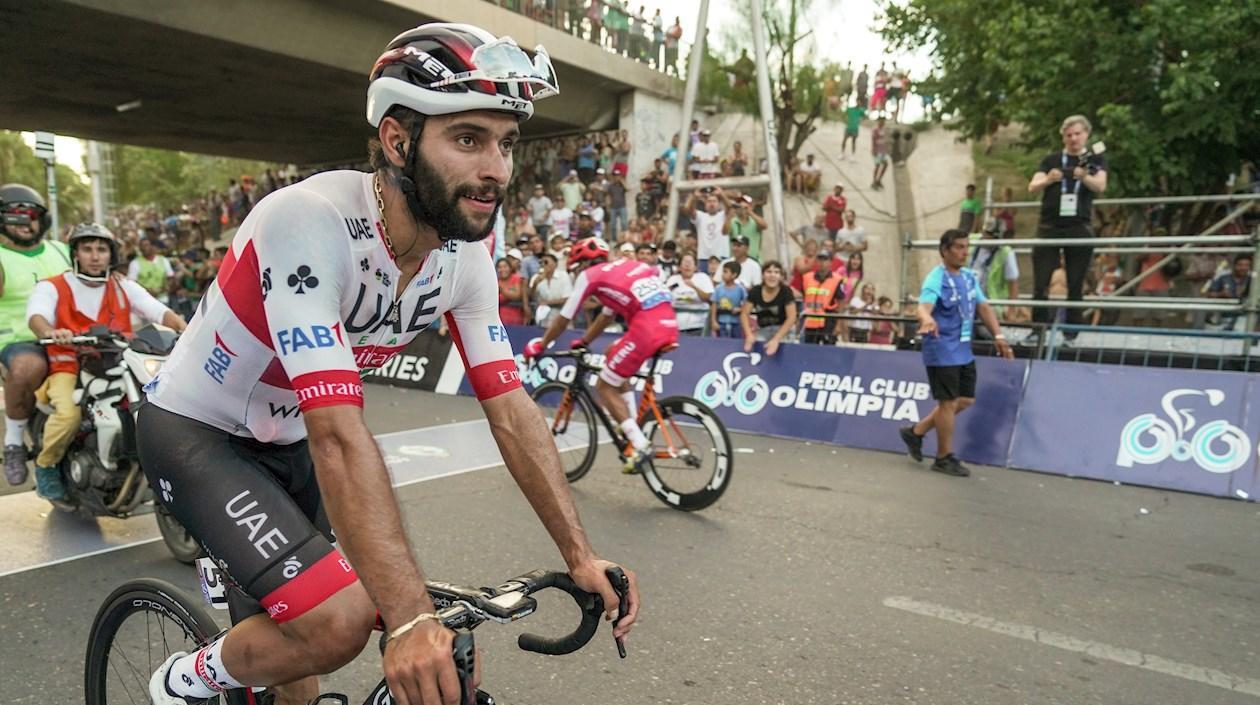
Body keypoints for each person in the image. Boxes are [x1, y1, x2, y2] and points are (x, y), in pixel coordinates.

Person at [141, 24, 637, 705]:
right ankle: (178, 684)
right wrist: (405, 619)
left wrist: (580, 554)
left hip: (290, 444)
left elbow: (514, 412)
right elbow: (339, 434)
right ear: (399, 141)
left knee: (309, 681)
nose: (496, 168)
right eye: (468, 139)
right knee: (339, 624)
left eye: (506, 144)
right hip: (200, 432)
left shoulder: (466, 257)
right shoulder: (306, 221)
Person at [25, 223, 187, 503]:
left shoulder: (122, 285)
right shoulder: (52, 286)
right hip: (70, 366)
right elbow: (37, 316)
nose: (95, 256)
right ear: (75, 253)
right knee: (69, 416)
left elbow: (158, 311)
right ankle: (46, 466)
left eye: (101, 249)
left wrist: (184, 328)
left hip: (118, 364)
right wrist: (50, 332)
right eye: (87, 249)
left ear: (111, 254)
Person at [525, 237, 677, 473]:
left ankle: (639, 444)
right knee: (611, 353)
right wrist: (585, 341)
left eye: (576, 269)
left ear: (582, 264)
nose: (577, 275)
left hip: (646, 328)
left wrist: (542, 344)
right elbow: (606, 316)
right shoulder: (623, 267)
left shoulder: (590, 275)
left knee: (605, 386)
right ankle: (631, 422)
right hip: (668, 323)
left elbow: (565, 316)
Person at [900, 229, 1013, 477]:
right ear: (945, 251)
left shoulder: (970, 278)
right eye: (959, 247)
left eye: (966, 247)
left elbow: (983, 306)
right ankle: (943, 457)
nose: (964, 252)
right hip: (941, 349)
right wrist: (927, 319)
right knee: (948, 403)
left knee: (966, 400)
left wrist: (999, 335)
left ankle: (916, 432)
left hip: (963, 350)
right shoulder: (935, 279)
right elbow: (923, 307)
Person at [0, 184, 72, 486]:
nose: (25, 223)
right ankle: (14, 442)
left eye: (30, 216)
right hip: (20, 342)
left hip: (72, 336)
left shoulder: (62, 249)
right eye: (14, 217)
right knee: (29, 367)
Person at [1028, 114, 1107, 330]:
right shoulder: (1051, 160)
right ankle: (1038, 328)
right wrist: (1048, 179)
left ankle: (1073, 331)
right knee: (1041, 281)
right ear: (1063, 137)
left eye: (1077, 134)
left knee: (1076, 282)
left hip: (1079, 225)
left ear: (1086, 135)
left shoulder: (1094, 160)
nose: (1073, 139)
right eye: (1068, 135)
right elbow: (1032, 186)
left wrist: (1083, 177)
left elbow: (1101, 186)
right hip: (1049, 225)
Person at [741, 260, 796, 355]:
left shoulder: (786, 291)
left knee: (780, 350)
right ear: (763, 275)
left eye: (776, 272)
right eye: (769, 272)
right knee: (754, 349)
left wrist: (776, 339)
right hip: (763, 329)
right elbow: (744, 314)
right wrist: (748, 334)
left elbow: (792, 317)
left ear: (781, 277)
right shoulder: (755, 291)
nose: (772, 275)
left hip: (783, 330)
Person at [800, 249, 846, 344]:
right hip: (810, 321)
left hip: (828, 321)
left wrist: (838, 324)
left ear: (830, 262)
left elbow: (841, 302)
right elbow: (804, 296)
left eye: (825, 259)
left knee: (827, 352)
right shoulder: (807, 277)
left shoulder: (837, 279)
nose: (822, 262)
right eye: (820, 259)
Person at [665, 253, 713, 335]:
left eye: (690, 263)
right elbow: (665, 299)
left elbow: (709, 298)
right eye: (685, 262)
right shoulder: (673, 279)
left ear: (695, 267)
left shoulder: (703, 277)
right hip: (676, 324)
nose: (687, 265)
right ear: (679, 267)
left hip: (699, 324)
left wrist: (694, 287)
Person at [685, 187, 730, 272]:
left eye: (714, 201)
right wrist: (694, 198)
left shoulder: (723, 215)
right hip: (704, 257)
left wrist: (722, 194)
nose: (711, 204)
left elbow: (730, 207)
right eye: (709, 201)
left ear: (719, 204)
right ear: (705, 204)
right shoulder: (701, 216)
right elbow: (689, 210)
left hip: (721, 256)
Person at [1206, 254, 1252, 330]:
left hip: (1243, 318)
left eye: (1247, 265)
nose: (1243, 268)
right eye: (1240, 265)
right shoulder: (1223, 278)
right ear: (1234, 266)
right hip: (1222, 317)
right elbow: (1208, 294)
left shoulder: (1253, 280)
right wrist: (1220, 294)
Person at [127, 237, 175, 304]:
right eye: (141, 246)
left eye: (146, 245)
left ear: (152, 247)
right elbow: (132, 282)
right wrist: (147, 290)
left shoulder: (163, 260)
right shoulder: (135, 263)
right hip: (144, 299)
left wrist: (165, 287)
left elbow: (171, 277)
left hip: (162, 299)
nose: (143, 248)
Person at [530, 252, 573, 327]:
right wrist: (535, 284)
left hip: (561, 319)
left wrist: (547, 302)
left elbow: (567, 298)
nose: (543, 264)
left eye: (546, 262)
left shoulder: (563, 276)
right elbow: (532, 298)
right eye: (541, 262)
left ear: (555, 264)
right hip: (544, 321)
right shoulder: (537, 278)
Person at [710, 261, 746, 338]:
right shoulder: (718, 288)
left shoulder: (740, 289)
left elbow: (747, 303)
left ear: (734, 275)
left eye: (726, 272)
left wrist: (740, 309)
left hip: (736, 322)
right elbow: (714, 305)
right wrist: (713, 321)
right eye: (723, 271)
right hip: (721, 321)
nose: (723, 274)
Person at [725, 195, 766, 262]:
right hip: (736, 261)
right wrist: (729, 216)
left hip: (754, 259)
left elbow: (764, 226)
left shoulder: (754, 221)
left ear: (751, 206)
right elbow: (725, 232)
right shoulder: (733, 221)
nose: (742, 208)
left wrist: (750, 212)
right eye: (739, 204)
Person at [497, 256, 529, 325]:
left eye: (505, 266)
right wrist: (509, 292)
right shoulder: (496, 281)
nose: (502, 269)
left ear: (510, 268)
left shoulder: (516, 278)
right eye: (499, 267)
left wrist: (502, 290)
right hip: (500, 319)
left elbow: (517, 295)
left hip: (516, 317)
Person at [871, 117, 890, 190]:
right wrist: (873, 149)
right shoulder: (875, 130)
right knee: (877, 166)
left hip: (882, 150)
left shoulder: (883, 129)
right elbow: (873, 140)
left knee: (885, 164)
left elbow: (884, 139)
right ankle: (874, 181)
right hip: (877, 150)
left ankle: (879, 179)